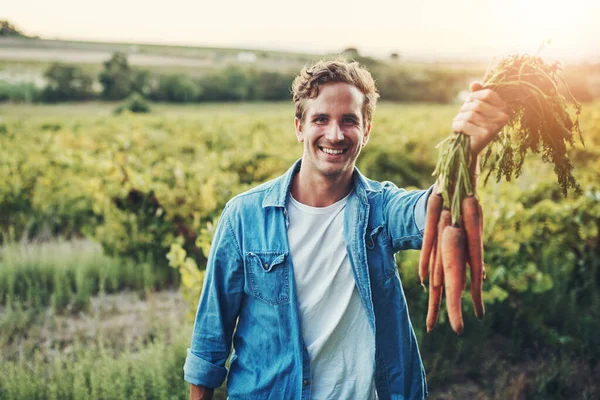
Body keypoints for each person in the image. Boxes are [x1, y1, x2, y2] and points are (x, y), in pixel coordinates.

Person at [183, 59, 508, 400]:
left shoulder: (380, 208)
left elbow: (432, 209)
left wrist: (466, 148)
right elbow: (210, 340)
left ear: (366, 131)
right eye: (320, 119)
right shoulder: (244, 217)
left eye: (349, 121)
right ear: (300, 127)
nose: (335, 135)